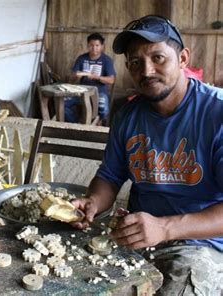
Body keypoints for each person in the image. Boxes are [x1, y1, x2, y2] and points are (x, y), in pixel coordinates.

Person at [71, 15, 223, 295]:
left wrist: (165, 228)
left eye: (158, 57)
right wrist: (93, 202)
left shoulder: (216, 114)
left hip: (200, 246)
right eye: (136, 62)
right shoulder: (128, 115)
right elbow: (110, 175)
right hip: (136, 234)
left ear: (183, 58)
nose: (147, 70)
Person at [65, 33, 116, 125]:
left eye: (97, 45)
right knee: (64, 103)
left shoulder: (106, 60)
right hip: (81, 91)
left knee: (103, 109)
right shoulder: (81, 58)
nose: (94, 48)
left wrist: (97, 77)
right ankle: (76, 123)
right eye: (91, 45)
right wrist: (75, 75)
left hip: (99, 92)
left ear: (102, 46)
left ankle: (97, 124)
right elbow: (71, 80)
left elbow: (111, 80)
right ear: (88, 45)